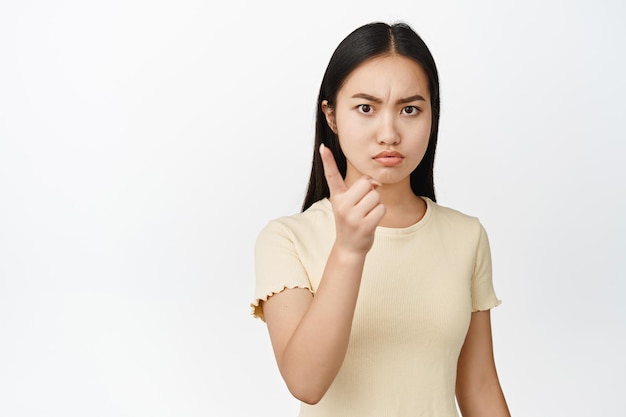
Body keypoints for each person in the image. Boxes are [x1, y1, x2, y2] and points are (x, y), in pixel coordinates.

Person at [251, 21, 511, 417]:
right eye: (366, 108)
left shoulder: (466, 236)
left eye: (409, 109)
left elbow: (479, 386)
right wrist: (350, 250)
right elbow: (305, 383)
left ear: (432, 116)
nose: (389, 133)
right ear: (332, 116)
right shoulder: (288, 239)